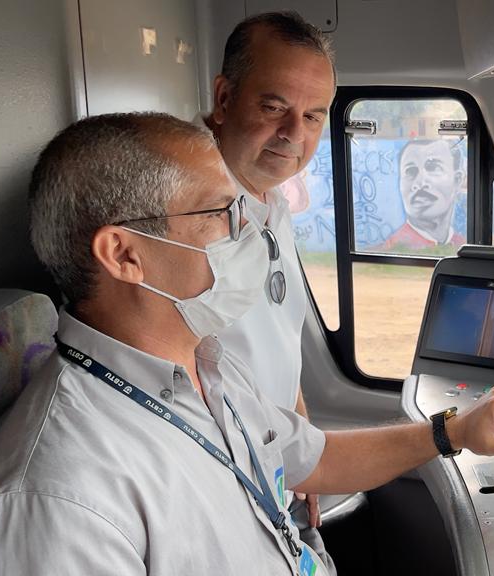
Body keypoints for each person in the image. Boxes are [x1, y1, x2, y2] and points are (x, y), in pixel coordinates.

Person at [0, 112, 494, 575]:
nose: (250, 232)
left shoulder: (205, 364)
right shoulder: (54, 500)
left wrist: (453, 431)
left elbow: (312, 459)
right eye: (221, 214)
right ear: (124, 255)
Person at [199, 11, 335, 550]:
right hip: (223, 478)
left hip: (275, 461)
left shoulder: (273, 202)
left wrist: (304, 448)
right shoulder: (187, 215)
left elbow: (279, 344)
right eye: (274, 107)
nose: (295, 134)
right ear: (224, 98)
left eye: (313, 115)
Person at [381, 139, 466, 250]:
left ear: (457, 180)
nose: (420, 183)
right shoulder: (391, 249)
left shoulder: (463, 245)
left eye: (433, 168)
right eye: (410, 171)